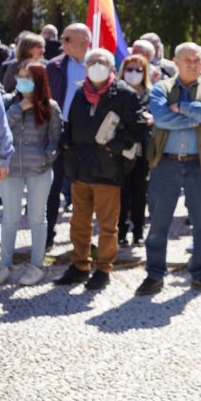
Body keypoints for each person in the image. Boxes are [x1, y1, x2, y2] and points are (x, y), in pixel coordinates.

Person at [136, 43, 201, 296]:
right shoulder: (162, 89)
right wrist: (198, 115)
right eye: (188, 60)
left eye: (197, 60)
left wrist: (183, 108)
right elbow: (161, 118)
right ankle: (154, 275)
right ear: (175, 61)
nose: (193, 64)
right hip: (166, 163)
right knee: (158, 224)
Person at [55, 48, 144, 292]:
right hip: (80, 168)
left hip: (107, 170)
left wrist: (112, 148)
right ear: (86, 68)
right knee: (79, 223)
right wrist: (66, 142)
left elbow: (136, 128)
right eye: (92, 62)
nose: (97, 66)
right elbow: (70, 123)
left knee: (107, 225)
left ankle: (103, 268)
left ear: (112, 67)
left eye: (102, 62)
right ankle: (80, 265)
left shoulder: (125, 94)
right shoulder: (80, 93)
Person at [0, 62, 62, 286]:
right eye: (20, 76)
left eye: (28, 77)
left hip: (39, 170)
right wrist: (19, 108)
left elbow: (55, 138)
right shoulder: (7, 102)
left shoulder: (51, 106)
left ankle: (37, 264)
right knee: (10, 219)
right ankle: (4, 264)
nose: (22, 81)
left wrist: (47, 156)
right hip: (11, 169)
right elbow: (1, 128)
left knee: (37, 218)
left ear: (39, 81)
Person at [43, 23, 91, 248]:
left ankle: (82, 240)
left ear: (84, 42)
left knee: (85, 187)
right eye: (63, 38)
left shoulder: (99, 64)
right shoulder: (54, 66)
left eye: (67, 39)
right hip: (59, 131)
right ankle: (47, 236)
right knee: (53, 186)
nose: (62, 42)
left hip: (88, 136)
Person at [118, 54, 155, 247]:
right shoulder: (117, 92)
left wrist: (152, 119)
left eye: (138, 70)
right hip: (121, 150)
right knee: (122, 193)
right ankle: (121, 232)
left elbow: (159, 117)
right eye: (129, 69)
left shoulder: (152, 93)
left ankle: (138, 232)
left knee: (140, 193)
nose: (133, 74)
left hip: (143, 151)